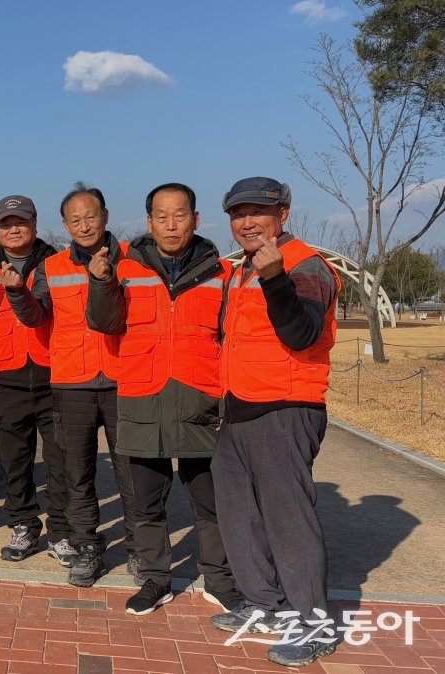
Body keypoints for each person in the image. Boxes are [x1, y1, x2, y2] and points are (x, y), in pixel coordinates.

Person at [85, 183, 240, 615]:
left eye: (180, 215)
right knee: (146, 504)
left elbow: (230, 340)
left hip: (201, 403)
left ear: (196, 218)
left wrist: (229, 405)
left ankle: (219, 580)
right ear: (149, 222)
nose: (171, 225)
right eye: (162, 216)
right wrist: (100, 283)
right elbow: (105, 323)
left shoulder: (219, 274)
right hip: (142, 402)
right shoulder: (125, 267)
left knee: (212, 503)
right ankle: (156, 580)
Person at [208, 177, 340, 668]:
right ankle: (267, 604)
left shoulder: (304, 266)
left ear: (283, 213)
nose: (247, 222)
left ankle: (316, 626)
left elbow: (303, 333)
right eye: (238, 213)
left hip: (287, 408)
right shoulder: (240, 269)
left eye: (258, 212)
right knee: (238, 509)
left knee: (289, 519)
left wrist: (276, 279)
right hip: (241, 407)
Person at [6, 183, 139, 588]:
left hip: (122, 379)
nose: (84, 225)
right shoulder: (53, 266)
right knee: (76, 474)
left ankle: (138, 548)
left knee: (131, 473)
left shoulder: (135, 259)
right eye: (75, 219)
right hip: (70, 383)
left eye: (91, 216)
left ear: (106, 217)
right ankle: (87, 547)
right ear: (64, 224)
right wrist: (16, 293)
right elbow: (36, 317)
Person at [0, 195, 74, 564]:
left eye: (20, 221)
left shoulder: (58, 263)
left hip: (53, 372)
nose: (13, 229)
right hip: (7, 375)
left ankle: (60, 531)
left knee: (61, 460)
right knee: (13, 460)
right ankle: (23, 525)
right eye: (6, 223)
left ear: (35, 224)